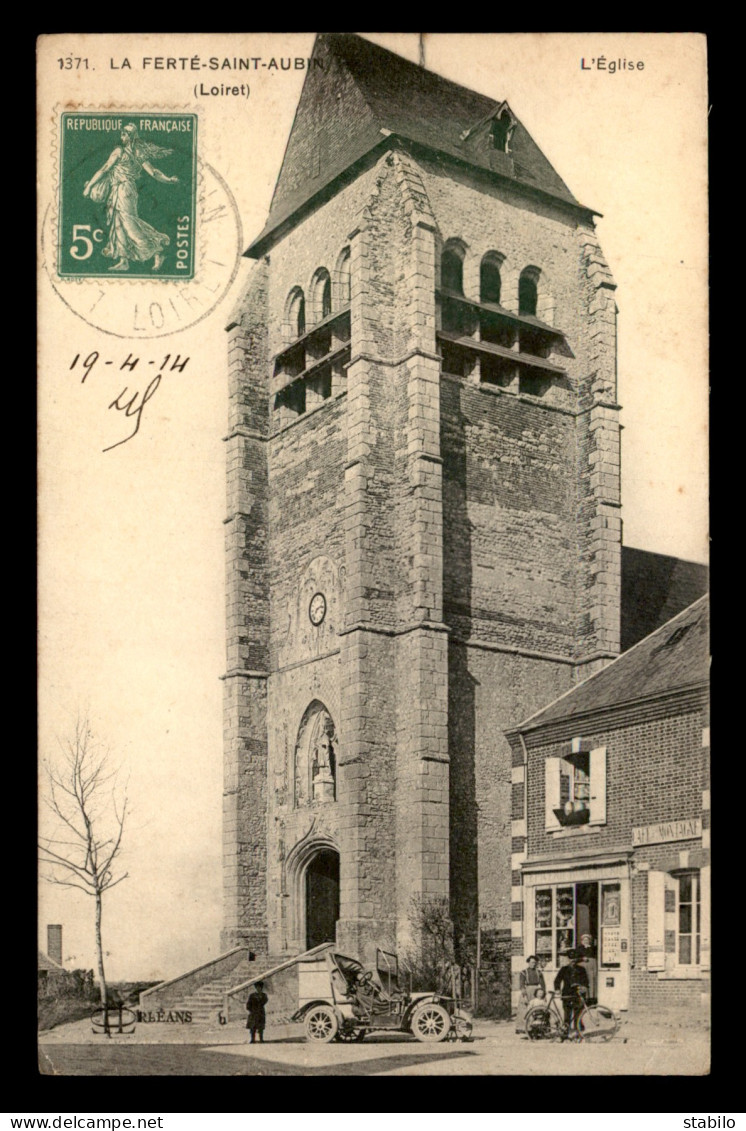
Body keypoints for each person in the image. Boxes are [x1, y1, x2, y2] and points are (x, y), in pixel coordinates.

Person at [83, 123, 179, 272]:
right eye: (122, 133)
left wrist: (89, 186)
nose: (122, 135)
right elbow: (154, 172)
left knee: (128, 224)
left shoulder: (119, 151)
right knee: (119, 223)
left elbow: (104, 169)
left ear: (131, 136)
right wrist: (168, 179)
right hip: (123, 190)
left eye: (125, 133)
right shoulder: (137, 153)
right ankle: (124, 260)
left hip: (123, 190)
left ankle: (158, 248)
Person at [553, 949, 589, 1032]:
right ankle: (565, 1034)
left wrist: (584, 987)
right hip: (567, 994)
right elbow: (557, 980)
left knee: (578, 1015)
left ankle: (578, 1033)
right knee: (567, 1016)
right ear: (568, 959)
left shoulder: (581, 969)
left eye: (574, 959)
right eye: (570, 959)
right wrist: (557, 989)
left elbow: (586, 981)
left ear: (576, 959)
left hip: (578, 995)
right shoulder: (564, 969)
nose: (572, 961)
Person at [516, 955, 546, 1033]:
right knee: (525, 1009)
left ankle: (537, 1028)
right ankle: (523, 1028)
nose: (533, 964)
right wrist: (524, 995)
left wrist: (544, 994)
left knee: (537, 1008)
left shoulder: (539, 972)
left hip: (536, 991)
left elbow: (543, 984)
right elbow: (522, 984)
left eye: (535, 963)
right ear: (528, 963)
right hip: (527, 991)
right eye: (532, 962)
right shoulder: (524, 972)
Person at [578, 934, 598, 1004]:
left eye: (587, 940)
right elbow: (575, 958)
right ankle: (584, 999)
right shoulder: (579, 948)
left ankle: (591, 999)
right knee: (584, 982)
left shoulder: (593, 948)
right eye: (584, 940)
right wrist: (582, 958)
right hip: (583, 967)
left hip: (591, 967)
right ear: (582, 941)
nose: (586, 941)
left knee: (591, 981)